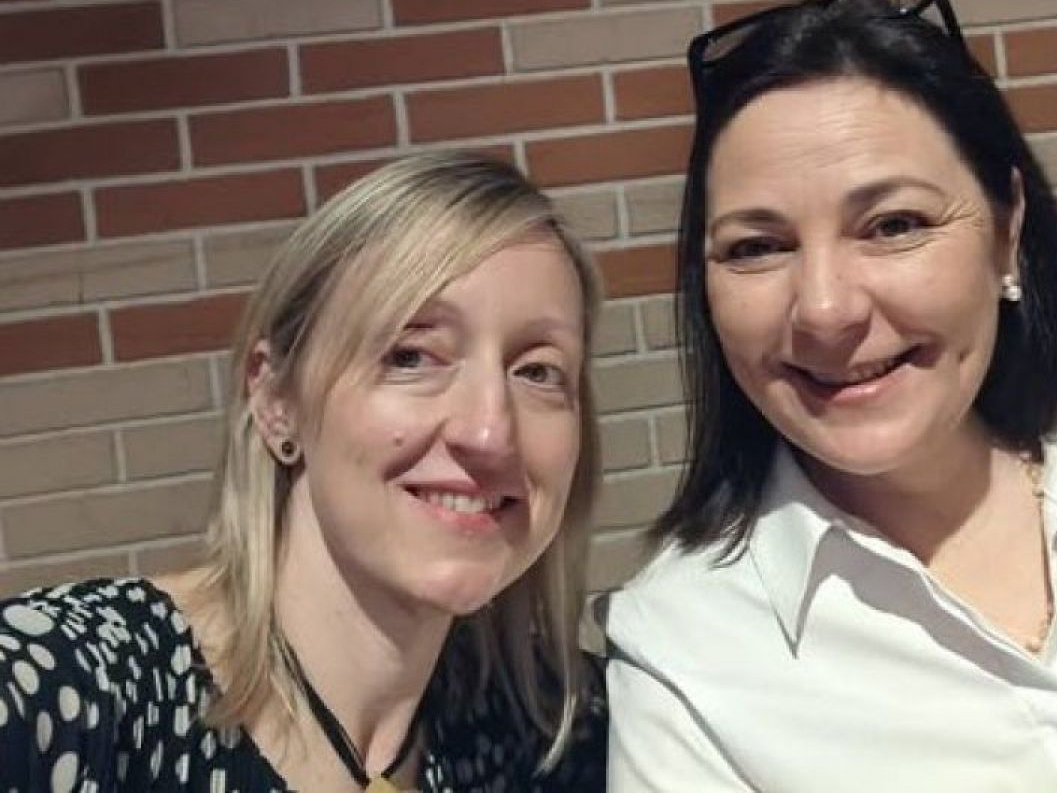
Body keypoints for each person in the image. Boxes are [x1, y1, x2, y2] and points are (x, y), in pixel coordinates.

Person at [601, 0, 1057, 791]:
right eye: (757, 247)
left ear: (1007, 231)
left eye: (894, 225)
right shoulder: (682, 649)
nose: (825, 309)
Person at [0, 151, 607, 792]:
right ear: (275, 400)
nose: (489, 432)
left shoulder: (563, 736)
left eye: (538, 371)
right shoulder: (61, 698)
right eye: (411, 356)